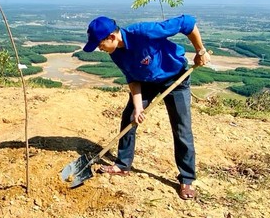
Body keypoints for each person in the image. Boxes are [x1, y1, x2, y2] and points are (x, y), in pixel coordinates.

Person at [83, 15, 211, 200]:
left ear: (111, 36)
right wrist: (138, 108)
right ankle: (122, 165)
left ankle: (187, 178)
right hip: (146, 83)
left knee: (181, 128)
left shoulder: (144, 32)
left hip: (175, 78)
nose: (99, 48)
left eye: (99, 43)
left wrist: (200, 51)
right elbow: (133, 79)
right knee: (129, 117)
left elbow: (187, 23)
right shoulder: (116, 53)